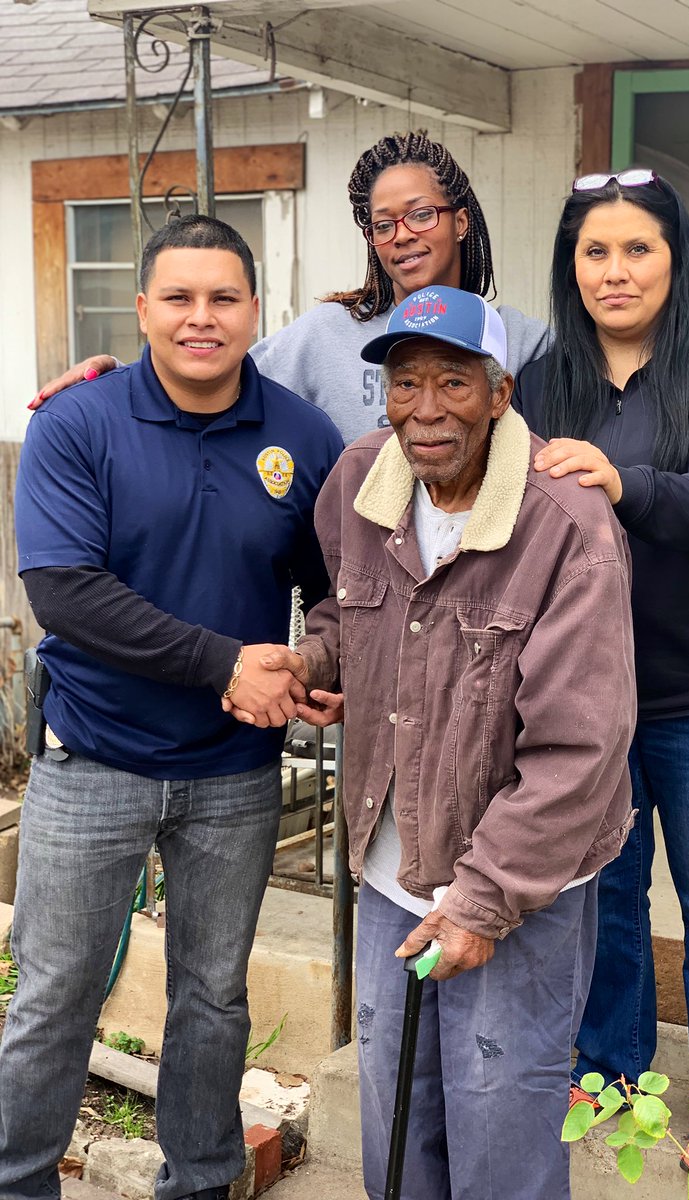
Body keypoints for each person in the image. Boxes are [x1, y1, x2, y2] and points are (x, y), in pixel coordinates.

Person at [257, 283, 637, 1200]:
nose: (424, 412)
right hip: (392, 869)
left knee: (500, 1128)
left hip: (520, 886)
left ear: (501, 392)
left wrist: (481, 902)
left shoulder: (567, 524)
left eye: (454, 385)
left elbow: (580, 751)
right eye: (405, 384)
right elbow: (357, 620)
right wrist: (310, 661)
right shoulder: (360, 481)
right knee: (397, 1128)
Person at [2, 215, 343, 1200]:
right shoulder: (79, 423)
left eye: (223, 297)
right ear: (143, 308)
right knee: (57, 996)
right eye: (180, 298)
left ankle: (200, 1182)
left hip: (231, 772)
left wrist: (319, 660)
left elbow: (336, 584)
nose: (203, 317)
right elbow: (63, 590)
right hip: (91, 761)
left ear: (254, 310)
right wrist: (227, 663)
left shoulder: (300, 435)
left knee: (212, 998)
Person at [514, 168, 689, 1179]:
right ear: (571, 265)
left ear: (677, 262)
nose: (615, 270)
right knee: (607, 891)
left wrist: (618, 478)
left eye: (639, 249)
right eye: (595, 251)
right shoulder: (544, 382)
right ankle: (610, 1069)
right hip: (593, 693)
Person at [33, 131, 689, 434]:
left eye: (420, 214)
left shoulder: (524, 340)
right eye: (381, 224)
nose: (401, 236)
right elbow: (211, 371)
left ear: (460, 220)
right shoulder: (329, 337)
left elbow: (626, 351)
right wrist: (115, 374)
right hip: (370, 627)